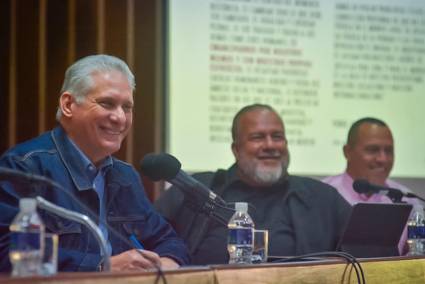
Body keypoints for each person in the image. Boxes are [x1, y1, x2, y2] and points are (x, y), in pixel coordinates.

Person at [0, 55, 189, 272]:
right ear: (68, 104)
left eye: (127, 107)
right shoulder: (24, 168)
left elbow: (169, 241)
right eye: (107, 103)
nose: (120, 118)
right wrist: (101, 267)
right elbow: (6, 252)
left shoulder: (124, 176)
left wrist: (165, 264)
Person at [155, 104, 351, 265]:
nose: (270, 145)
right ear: (236, 149)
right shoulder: (195, 191)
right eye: (257, 137)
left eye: (277, 137)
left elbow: (361, 255)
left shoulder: (322, 198)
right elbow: (150, 241)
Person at [322, 117, 420, 254]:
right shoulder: (322, 194)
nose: (383, 159)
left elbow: (418, 255)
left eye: (389, 151)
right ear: (347, 152)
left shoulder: (409, 200)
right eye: (373, 150)